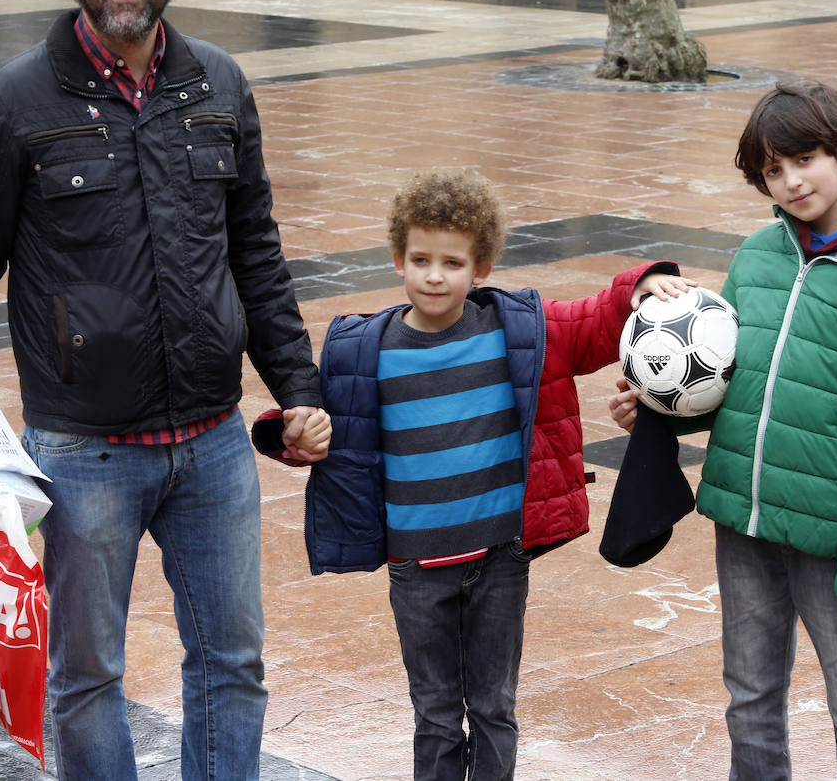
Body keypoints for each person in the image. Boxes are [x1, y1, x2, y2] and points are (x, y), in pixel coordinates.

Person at [0, 0, 329, 779]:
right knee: (86, 675)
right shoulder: (15, 100)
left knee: (233, 665)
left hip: (212, 442)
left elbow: (256, 251)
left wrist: (299, 391)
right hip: (85, 450)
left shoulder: (219, 84)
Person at [257, 170, 691, 780]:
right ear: (398, 258)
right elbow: (315, 415)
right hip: (415, 567)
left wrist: (642, 285)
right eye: (421, 259)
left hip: (499, 559)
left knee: (493, 708)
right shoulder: (364, 348)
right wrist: (287, 433)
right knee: (434, 714)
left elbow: (597, 322)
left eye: (453, 262)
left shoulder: (521, 329)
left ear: (481, 266)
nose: (435, 275)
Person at [609, 80, 837, 779]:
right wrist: (660, 405)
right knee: (748, 698)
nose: (791, 181)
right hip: (743, 518)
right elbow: (735, 385)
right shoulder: (759, 256)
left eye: (804, 158)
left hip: (835, 535)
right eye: (773, 169)